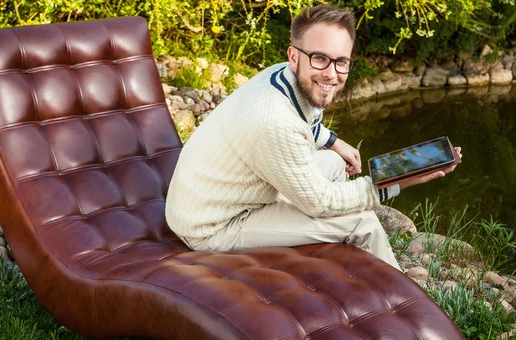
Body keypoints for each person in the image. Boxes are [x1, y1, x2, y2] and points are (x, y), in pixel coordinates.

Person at [165, 4, 461, 270]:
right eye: (320, 58)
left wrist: (334, 142)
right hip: (212, 223)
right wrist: (398, 182)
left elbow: (307, 116)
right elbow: (319, 203)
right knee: (363, 221)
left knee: (333, 162)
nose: (332, 74)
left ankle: (337, 259)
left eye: (341, 61)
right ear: (294, 57)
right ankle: (405, 307)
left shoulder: (281, 76)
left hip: (231, 188)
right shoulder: (275, 123)